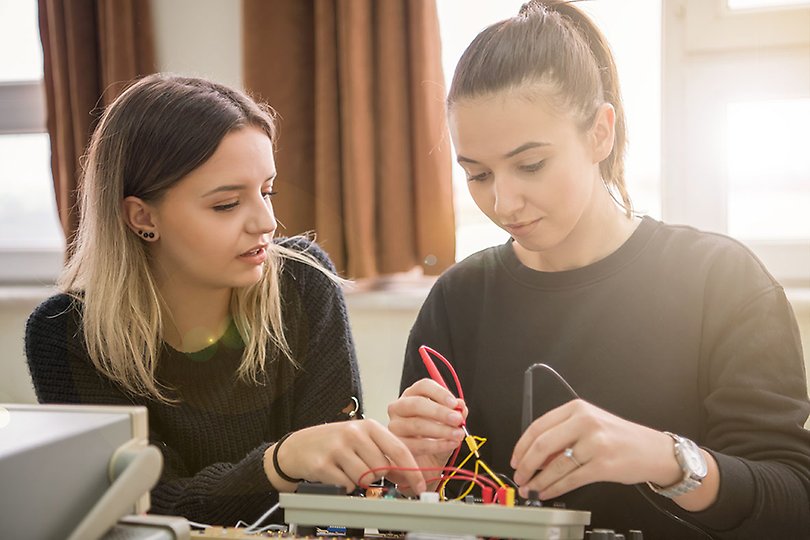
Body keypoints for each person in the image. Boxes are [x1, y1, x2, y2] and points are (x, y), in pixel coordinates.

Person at [387, 1, 810, 538]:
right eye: (477, 174)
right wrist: (414, 481)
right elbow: (433, 507)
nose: (504, 201)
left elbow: (794, 503)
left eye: (531, 165)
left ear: (600, 133)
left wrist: (666, 458)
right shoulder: (458, 300)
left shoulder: (722, 282)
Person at [25, 73, 426, 526]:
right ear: (141, 216)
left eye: (267, 190)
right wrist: (279, 463)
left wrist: (406, 460)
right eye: (226, 204)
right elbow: (139, 509)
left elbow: (338, 503)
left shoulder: (303, 282)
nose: (266, 222)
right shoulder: (65, 333)